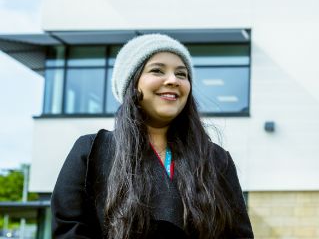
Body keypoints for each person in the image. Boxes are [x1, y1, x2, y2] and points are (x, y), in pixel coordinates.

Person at [51, 34, 254, 239]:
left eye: (182, 74)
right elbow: (69, 229)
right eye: (157, 70)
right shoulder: (92, 150)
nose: (173, 80)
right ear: (132, 83)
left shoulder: (216, 160)